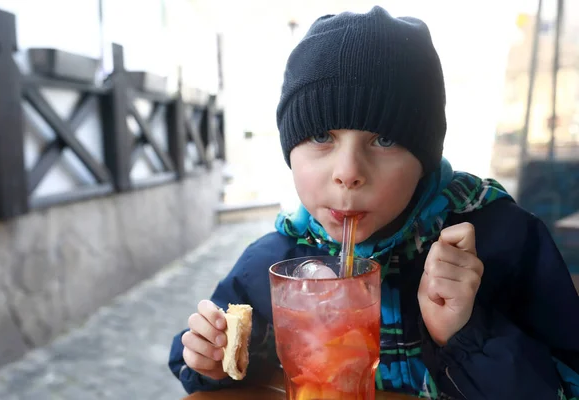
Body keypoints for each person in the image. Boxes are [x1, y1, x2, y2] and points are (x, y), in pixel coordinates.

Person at [169, 6, 579, 399]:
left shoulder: (503, 242)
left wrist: (465, 334)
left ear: (424, 160)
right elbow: (219, 367)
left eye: (383, 140)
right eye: (321, 137)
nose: (348, 172)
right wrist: (212, 360)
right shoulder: (273, 264)